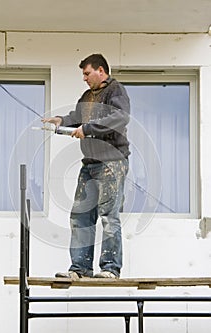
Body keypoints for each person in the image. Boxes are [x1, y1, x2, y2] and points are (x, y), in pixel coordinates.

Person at [42, 53, 130, 279]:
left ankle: (110, 268)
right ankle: (80, 268)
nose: (84, 78)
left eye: (87, 73)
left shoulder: (115, 91)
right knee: (80, 215)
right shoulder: (86, 96)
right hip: (90, 164)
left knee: (109, 215)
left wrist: (88, 129)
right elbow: (78, 116)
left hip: (112, 162)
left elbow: (119, 118)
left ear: (101, 71)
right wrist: (62, 120)